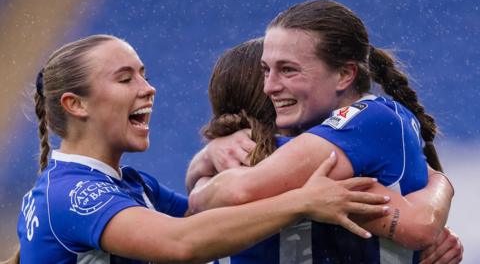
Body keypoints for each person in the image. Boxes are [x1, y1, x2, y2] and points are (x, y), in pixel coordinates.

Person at [7, 34, 394, 264]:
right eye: (125, 78)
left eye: (144, 73)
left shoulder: (127, 184)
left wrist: (207, 157)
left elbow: (205, 213)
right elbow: (182, 243)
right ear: (76, 105)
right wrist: (302, 201)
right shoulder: (74, 194)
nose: (148, 88)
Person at [187, 0, 461, 263]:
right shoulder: (299, 158)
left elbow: (236, 192)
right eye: (265, 71)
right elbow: (419, 225)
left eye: (288, 70)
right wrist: (440, 183)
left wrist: (199, 178)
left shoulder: (366, 119)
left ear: (344, 74)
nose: (269, 86)